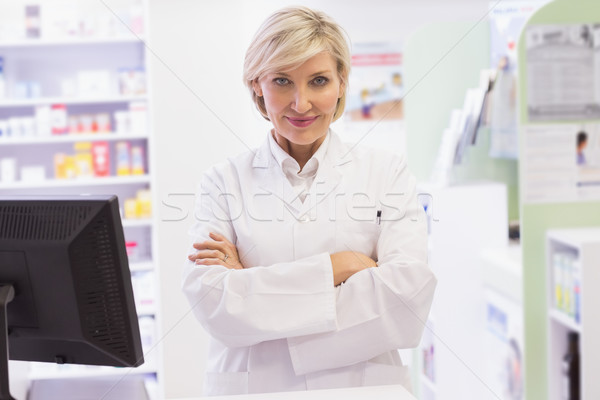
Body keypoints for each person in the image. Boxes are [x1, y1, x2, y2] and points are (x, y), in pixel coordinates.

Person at [182, 6, 436, 396]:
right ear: (257, 85)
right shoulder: (222, 181)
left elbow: (405, 303)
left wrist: (252, 291)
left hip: (362, 388)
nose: (301, 104)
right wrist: (344, 266)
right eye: (282, 81)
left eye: (318, 81)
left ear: (341, 83)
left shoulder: (387, 172)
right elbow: (216, 307)